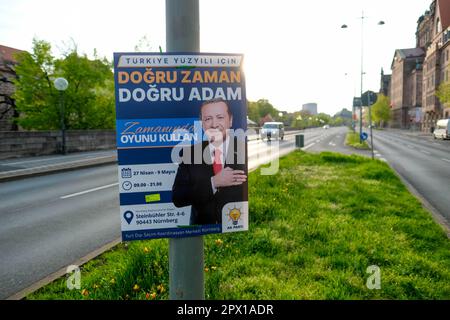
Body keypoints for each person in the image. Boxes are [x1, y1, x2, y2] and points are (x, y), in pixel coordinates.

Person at [172, 98, 248, 225]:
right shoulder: (189, 154)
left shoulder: (245, 151)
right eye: (208, 119)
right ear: (202, 124)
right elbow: (178, 198)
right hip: (201, 231)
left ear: (230, 120)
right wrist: (214, 182)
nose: (214, 124)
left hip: (236, 232)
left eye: (220, 117)